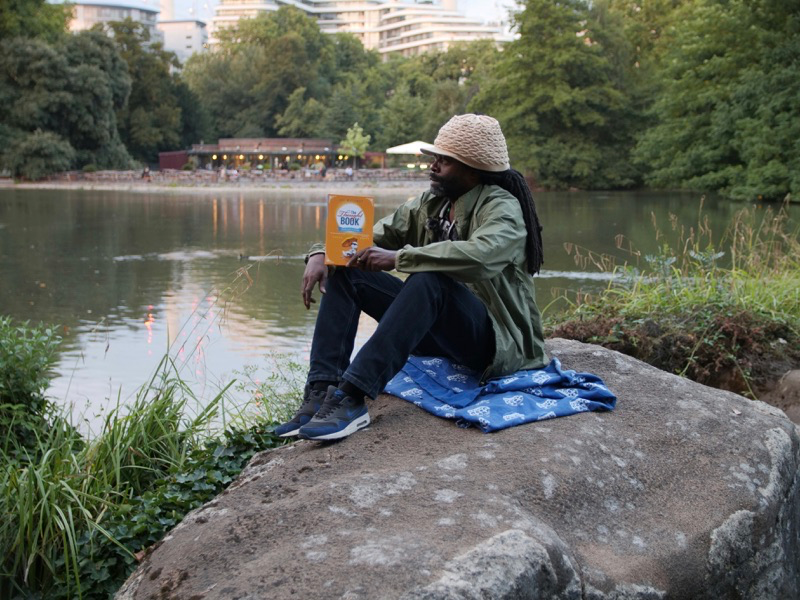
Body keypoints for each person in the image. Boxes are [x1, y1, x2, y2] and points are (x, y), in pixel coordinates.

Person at [274, 114, 547, 441]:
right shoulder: (432, 203)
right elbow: (368, 240)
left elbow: (482, 257)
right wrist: (321, 253)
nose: (433, 166)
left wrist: (400, 258)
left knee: (431, 278)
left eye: (444, 161)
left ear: (473, 171)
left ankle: (351, 398)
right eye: (434, 158)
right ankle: (320, 392)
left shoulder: (502, 208)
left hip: (492, 340)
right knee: (347, 271)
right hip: (439, 331)